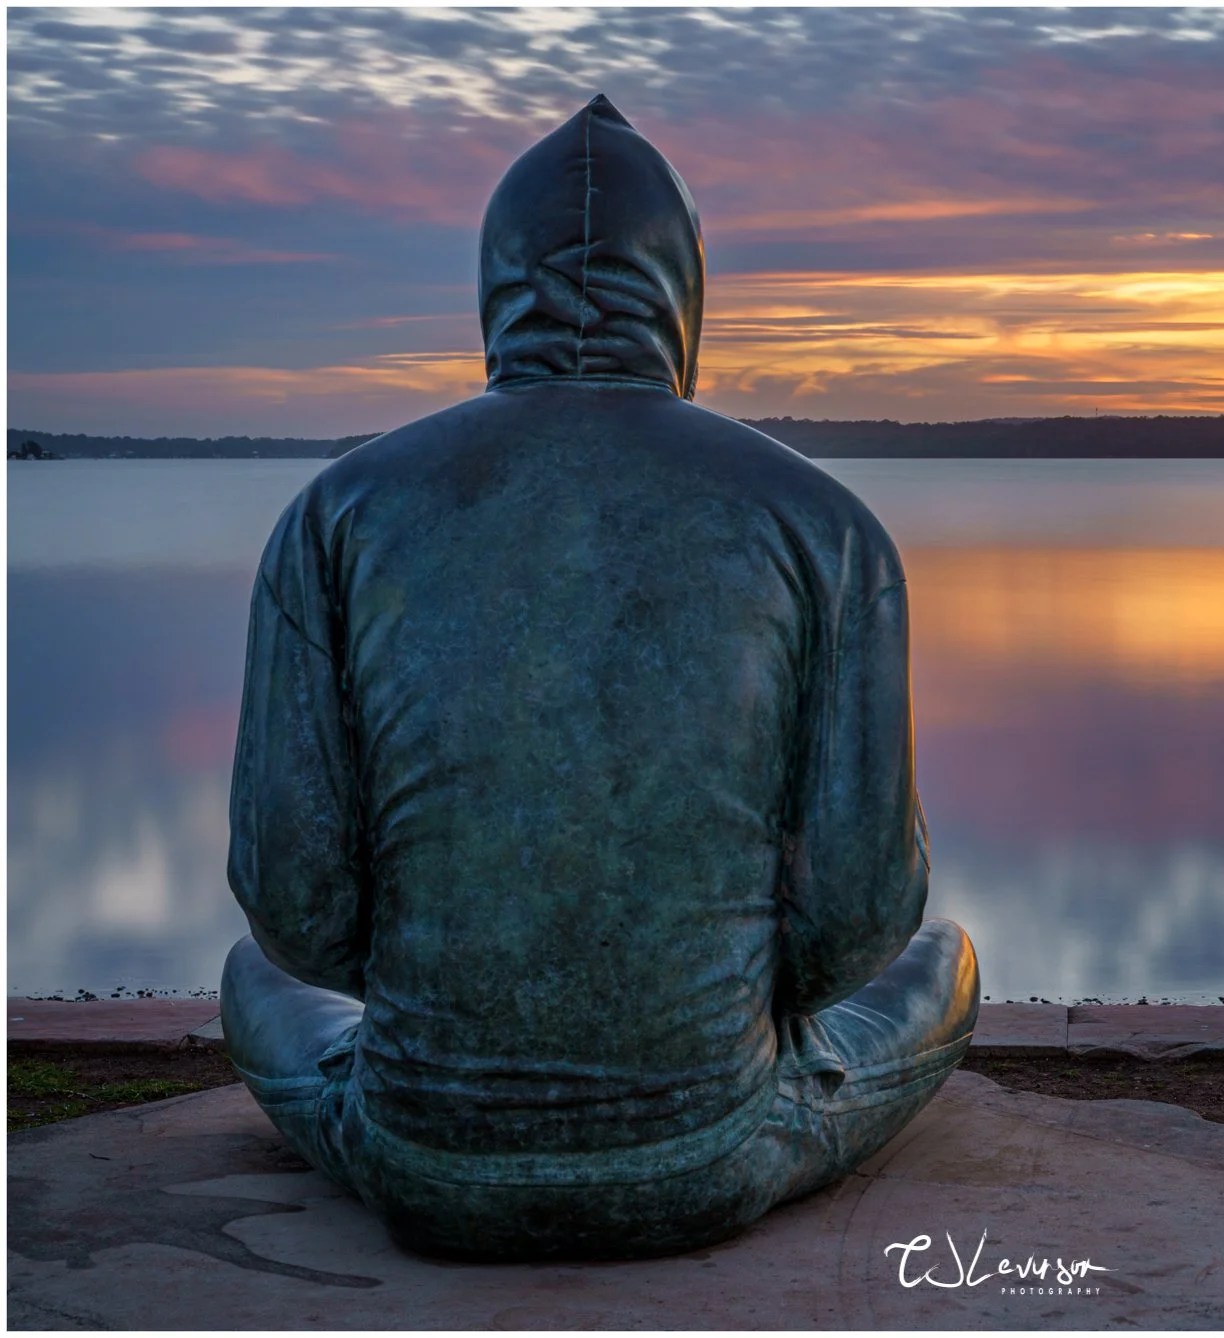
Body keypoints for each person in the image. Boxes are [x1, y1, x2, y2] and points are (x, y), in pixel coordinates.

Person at [220, 95, 978, 1261]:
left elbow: (294, 915)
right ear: (685, 297)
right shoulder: (825, 528)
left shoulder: (335, 515)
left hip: (422, 1155)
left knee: (246, 981)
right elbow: (861, 922)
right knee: (948, 962)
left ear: (493, 290)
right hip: (708, 1150)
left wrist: (464, 987)